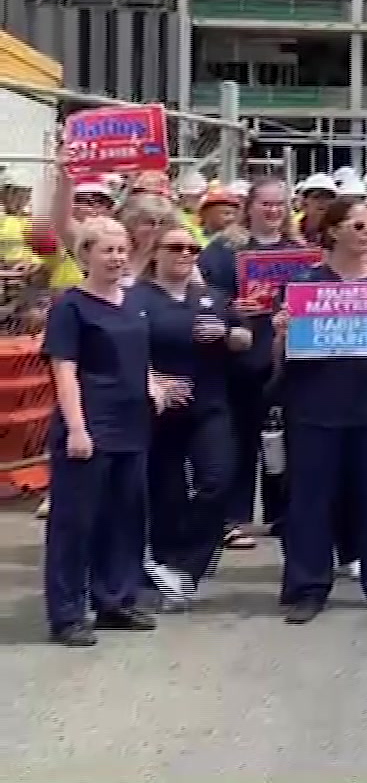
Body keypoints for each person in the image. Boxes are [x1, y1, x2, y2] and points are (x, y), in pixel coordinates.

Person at [41, 217, 186, 646]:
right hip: (91, 426)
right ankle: (67, 614)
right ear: (86, 254)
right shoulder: (71, 306)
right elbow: (64, 371)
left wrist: (151, 386)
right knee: (75, 524)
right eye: (107, 251)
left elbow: (137, 357)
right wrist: (77, 429)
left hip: (133, 427)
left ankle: (115, 600)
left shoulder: (133, 301)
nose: (117, 258)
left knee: (124, 518)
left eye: (122, 250)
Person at [273, 197, 367, 625]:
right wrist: (281, 332)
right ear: (333, 231)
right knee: (311, 500)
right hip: (314, 406)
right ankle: (307, 586)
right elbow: (283, 356)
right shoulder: (305, 282)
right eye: (359, 225)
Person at [137, 222, 249, 607]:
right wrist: (153, 379)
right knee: (165, 493)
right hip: (159, 409)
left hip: (209, 404)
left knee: (217, 480)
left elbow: (243, 336)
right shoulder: (139, 298)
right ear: (155, 253)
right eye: (175, 248)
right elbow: (123, 347)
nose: (185, 255)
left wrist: (227, 335)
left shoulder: (212, 296)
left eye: (191, 249)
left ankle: (188, 565)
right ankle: (165, 564)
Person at [198, 177, 303, 547]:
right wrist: (230, 309)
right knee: (239, 440)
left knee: (284, 441)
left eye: (279, 204)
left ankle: (282, 514)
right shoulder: (224, 250)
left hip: (287, 360)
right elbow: (204, 298)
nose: (273, 211)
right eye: (265, 204)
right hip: (238, 359)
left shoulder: (300, 250)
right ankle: (233, 518)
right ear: (250, 207)